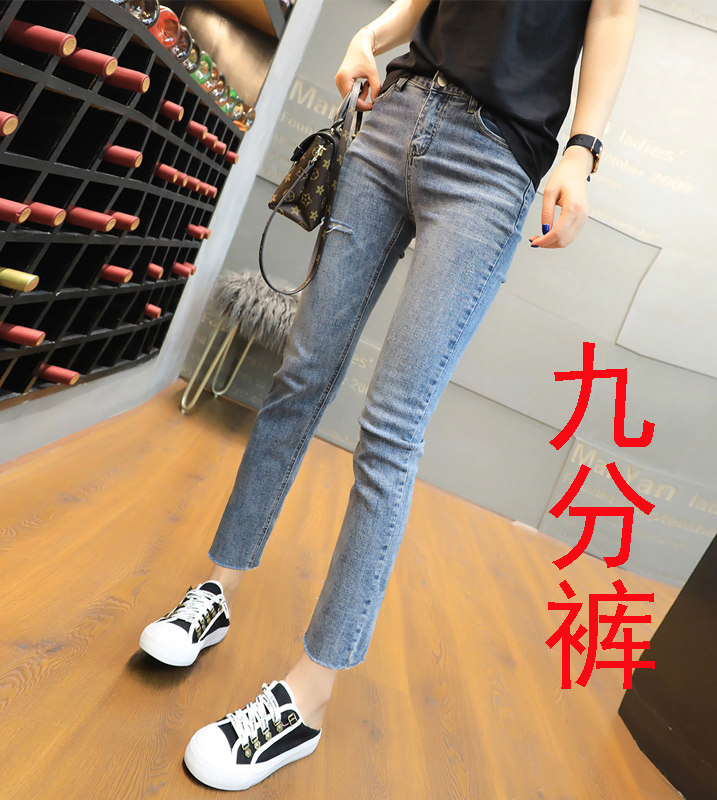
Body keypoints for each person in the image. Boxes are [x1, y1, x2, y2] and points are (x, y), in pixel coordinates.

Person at [138, 0, 640, 791]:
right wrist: (371, 35)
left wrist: (583, 148)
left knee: (392, 426)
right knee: (301, 375)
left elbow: (612, 10)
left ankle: (308, 698)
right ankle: (219, 588)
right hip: (398, 111)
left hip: (493, 161)